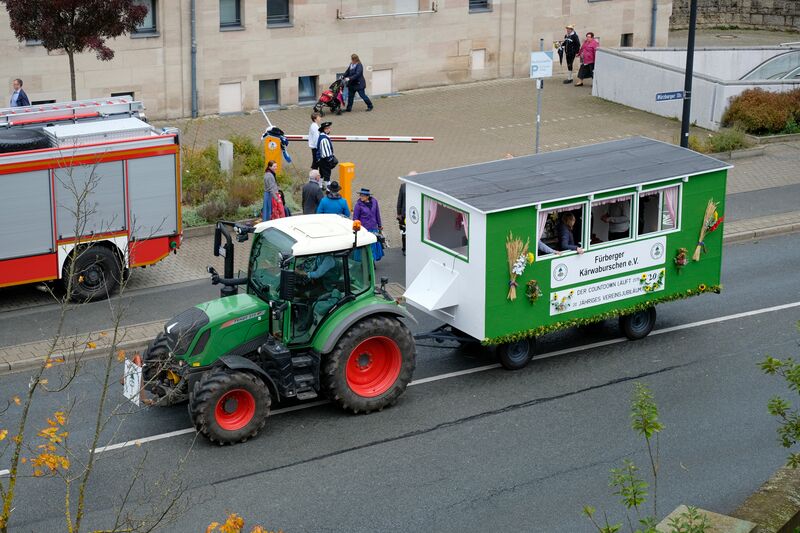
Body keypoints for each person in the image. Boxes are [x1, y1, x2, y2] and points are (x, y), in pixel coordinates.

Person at [352, 187, 384, 262]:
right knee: (366, 246)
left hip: (373, 228)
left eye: (363, 195)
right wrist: (356, 229)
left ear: (367, 196)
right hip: (364, 229)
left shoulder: (374, 202)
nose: (361, 197)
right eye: (360, 195)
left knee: (373, 246)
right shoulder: (358, 205)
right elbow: (355, 219)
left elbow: (377, 214)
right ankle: (367, 262)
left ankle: (372, 261)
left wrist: (379, 225)